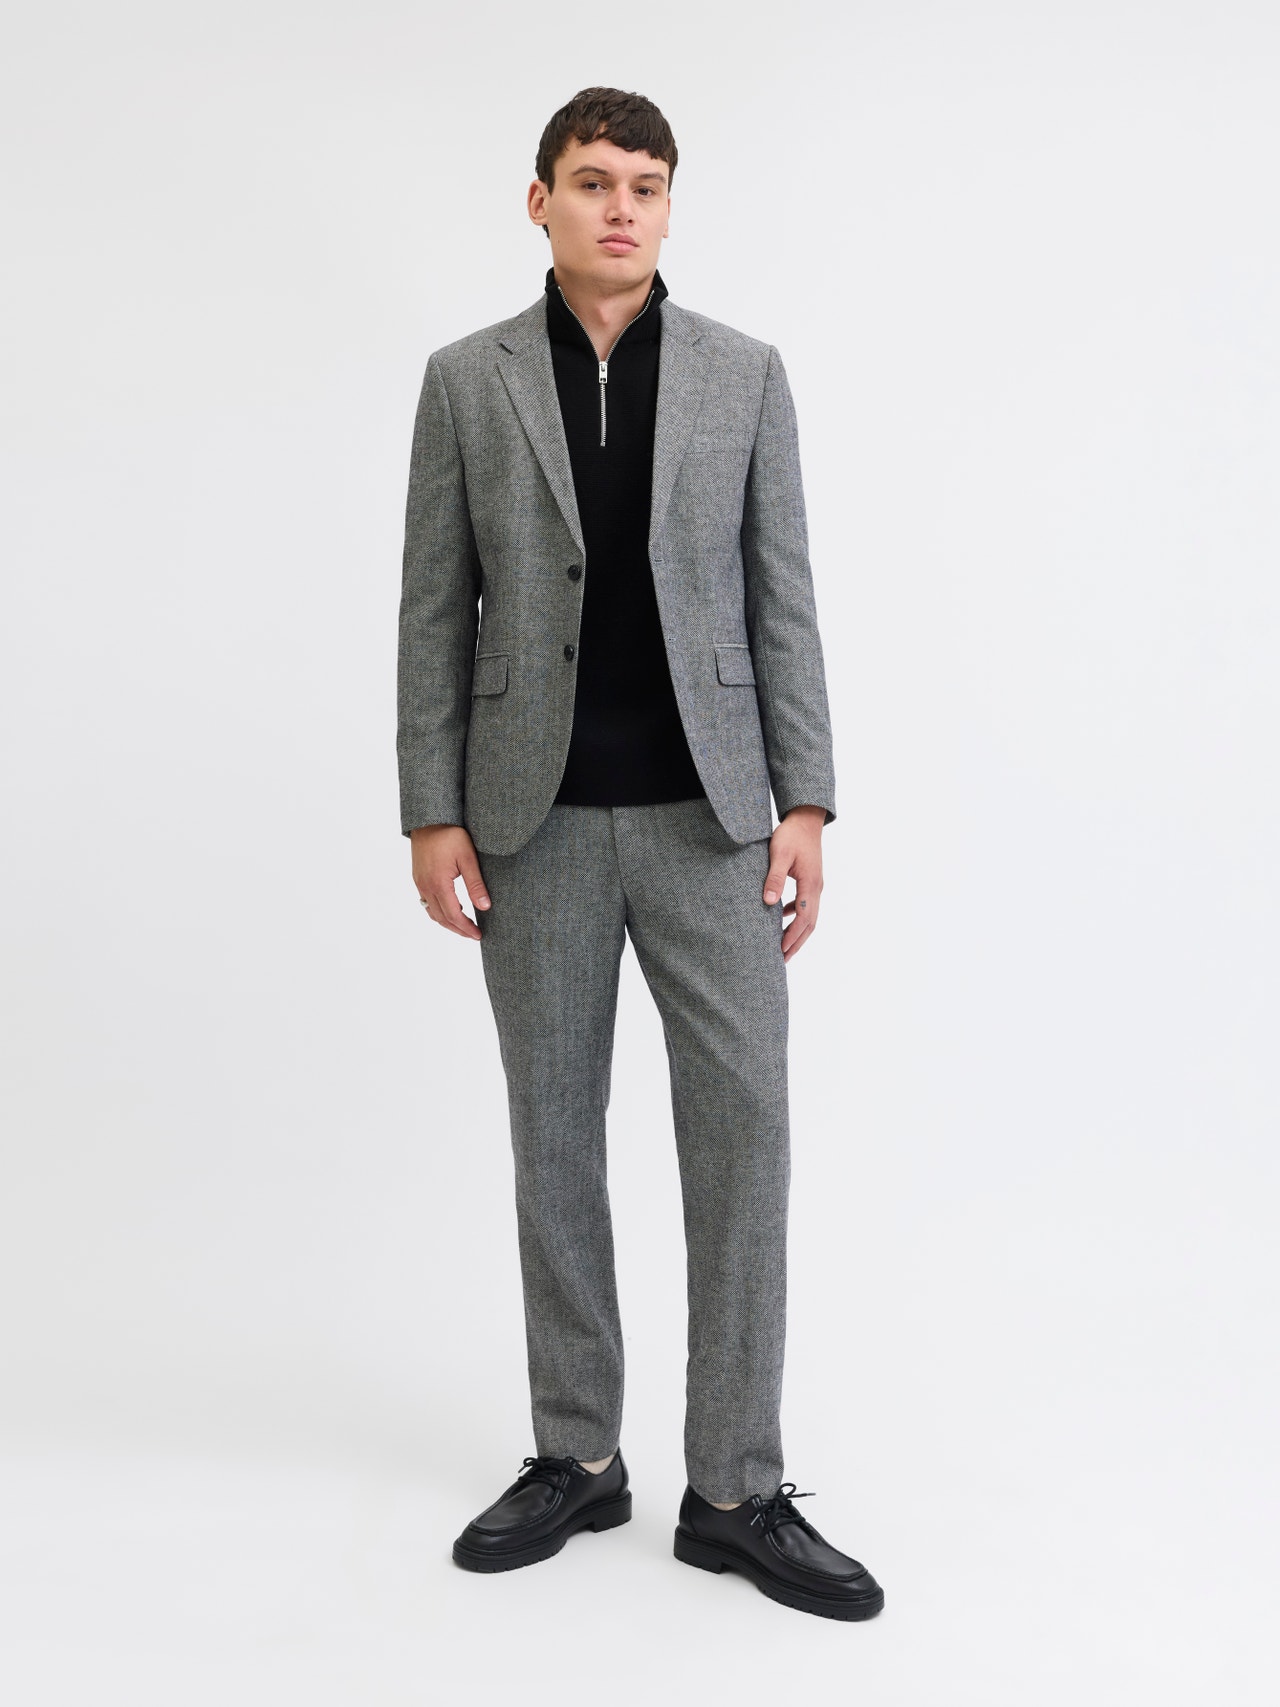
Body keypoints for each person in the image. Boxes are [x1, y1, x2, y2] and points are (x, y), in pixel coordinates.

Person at [397, 86, 883, 1621]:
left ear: (670, 207)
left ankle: (733, 1487)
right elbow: (434, 606)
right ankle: (578, 1455)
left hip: (711, 822)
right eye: (594, 181)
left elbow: (783, 594)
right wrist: (429, 807)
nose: (621, 207)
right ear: (538, 198)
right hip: (528, 820)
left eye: (647, 185)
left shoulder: (746, 374)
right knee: (554, 1140)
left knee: (744, 1141)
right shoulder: (466, 381)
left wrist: (807, 798)